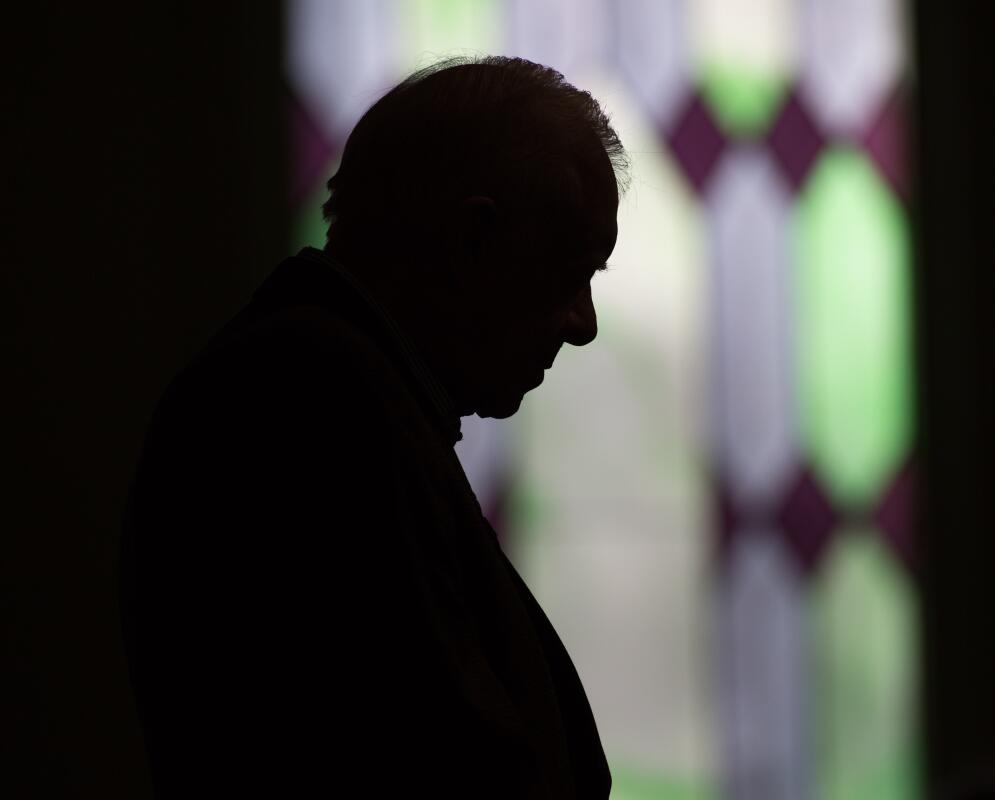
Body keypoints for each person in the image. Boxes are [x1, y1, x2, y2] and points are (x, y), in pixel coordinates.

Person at [119, 55, 627, 798]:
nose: (582, 325)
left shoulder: (332, 388)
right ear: (474, 239)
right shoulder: (310, 402)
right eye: (571, 269)